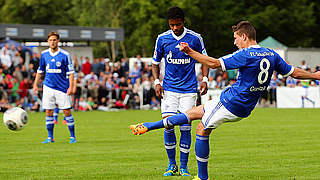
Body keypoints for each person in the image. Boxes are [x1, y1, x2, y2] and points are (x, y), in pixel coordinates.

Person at [130, 21, 320, 180]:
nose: (235, 42)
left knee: (201, 129)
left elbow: (213, 63)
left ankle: (202, 177)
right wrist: (316, 75)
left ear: (244, 37)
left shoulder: (245, 55)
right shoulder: (271, 54)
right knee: (191, 113)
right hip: (238, 102)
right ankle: (148, 126)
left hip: (233, 103)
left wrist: (190, 52)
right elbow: (294, 72)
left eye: (236, 38)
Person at [151, 6, 208, 177]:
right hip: (169, 89)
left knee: (184, 126)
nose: (174, 28)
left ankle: (183, 166)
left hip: (189, 89)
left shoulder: (195, 38)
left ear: (184, 21)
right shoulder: (162, 39)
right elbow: (155, 62)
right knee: (168, 126)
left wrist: (204, 79)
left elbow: (205, 60)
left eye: (177, 24)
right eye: (171, 25)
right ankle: (171, 164)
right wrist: (156, 82)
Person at [33, 31, 76, 144]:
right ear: (48, 41)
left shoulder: (65, 55)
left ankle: (72, 136)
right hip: (48, 87)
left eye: (54, 40)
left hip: (62, 88)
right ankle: (50, 137)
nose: (52, 42)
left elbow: (71, 72)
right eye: (50, 40)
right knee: (48, 111)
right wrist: (35, 85)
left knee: (67, 112)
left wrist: (71, 87)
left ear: (58, 41)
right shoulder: (44, 54)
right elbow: (40, 71)